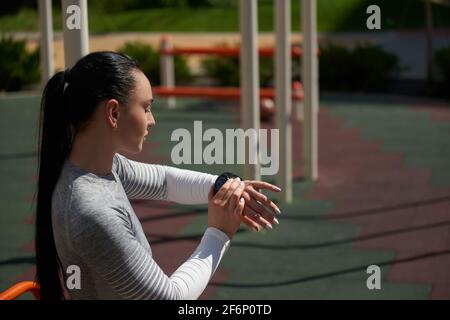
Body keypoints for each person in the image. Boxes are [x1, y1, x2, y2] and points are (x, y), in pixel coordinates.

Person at [35, 51, 281, 300]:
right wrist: (219, 233)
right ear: (113, 113)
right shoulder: (93, 212)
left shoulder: (93, 166)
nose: (152, 120)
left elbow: (164, 182)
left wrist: (223, 186)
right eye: (146, 108)